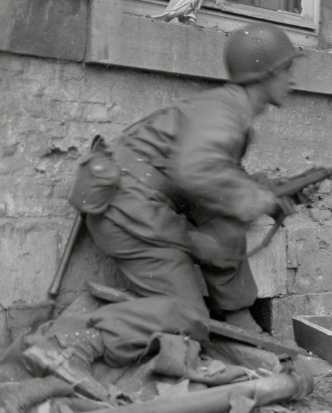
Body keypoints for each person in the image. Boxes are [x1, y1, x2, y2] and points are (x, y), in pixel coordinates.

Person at [20, 23, 306, 398]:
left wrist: (272, 190)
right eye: (287, 69)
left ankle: (238, 319)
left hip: (144, 204)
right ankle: (69, 344)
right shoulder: (225, 113)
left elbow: (216, 177)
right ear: (264, 74)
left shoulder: (227, 109)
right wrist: (256, 200)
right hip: (129, 209)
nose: (293, 80)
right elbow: (197, 171)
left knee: (224, 216)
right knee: (187, 317)